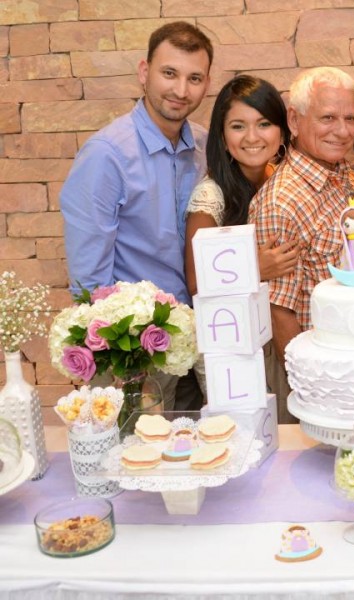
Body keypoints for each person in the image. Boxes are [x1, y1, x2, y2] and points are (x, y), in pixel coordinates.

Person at [60, 21, 213, 410]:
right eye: (169, 73)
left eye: (194, 78)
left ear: (207, 83)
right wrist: (117, 362)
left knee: (202, 451)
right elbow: (89, 278)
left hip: (201, 341)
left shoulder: (204, 144)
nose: (181, 90)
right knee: (140, 458)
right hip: (139, 354)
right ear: (144, 73)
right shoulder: (106, 155)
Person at [248, 67, 354, 423]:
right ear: (294, 121)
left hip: (350, 367)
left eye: (350, 118)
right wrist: (310, 393)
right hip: (315, 381)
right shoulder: (281, 201)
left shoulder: (341, 172)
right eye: (328, 117)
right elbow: (279, 312)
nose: (342, 131)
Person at [183, 75, 298, 402]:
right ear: (221, 134)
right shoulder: (211, 197)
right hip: (235, 355)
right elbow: (196, 286)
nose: (252, 137)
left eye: (263, 124)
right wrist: (253, 268)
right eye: (237, 126)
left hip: (282, 340)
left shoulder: (283, 184)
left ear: (281, 130)